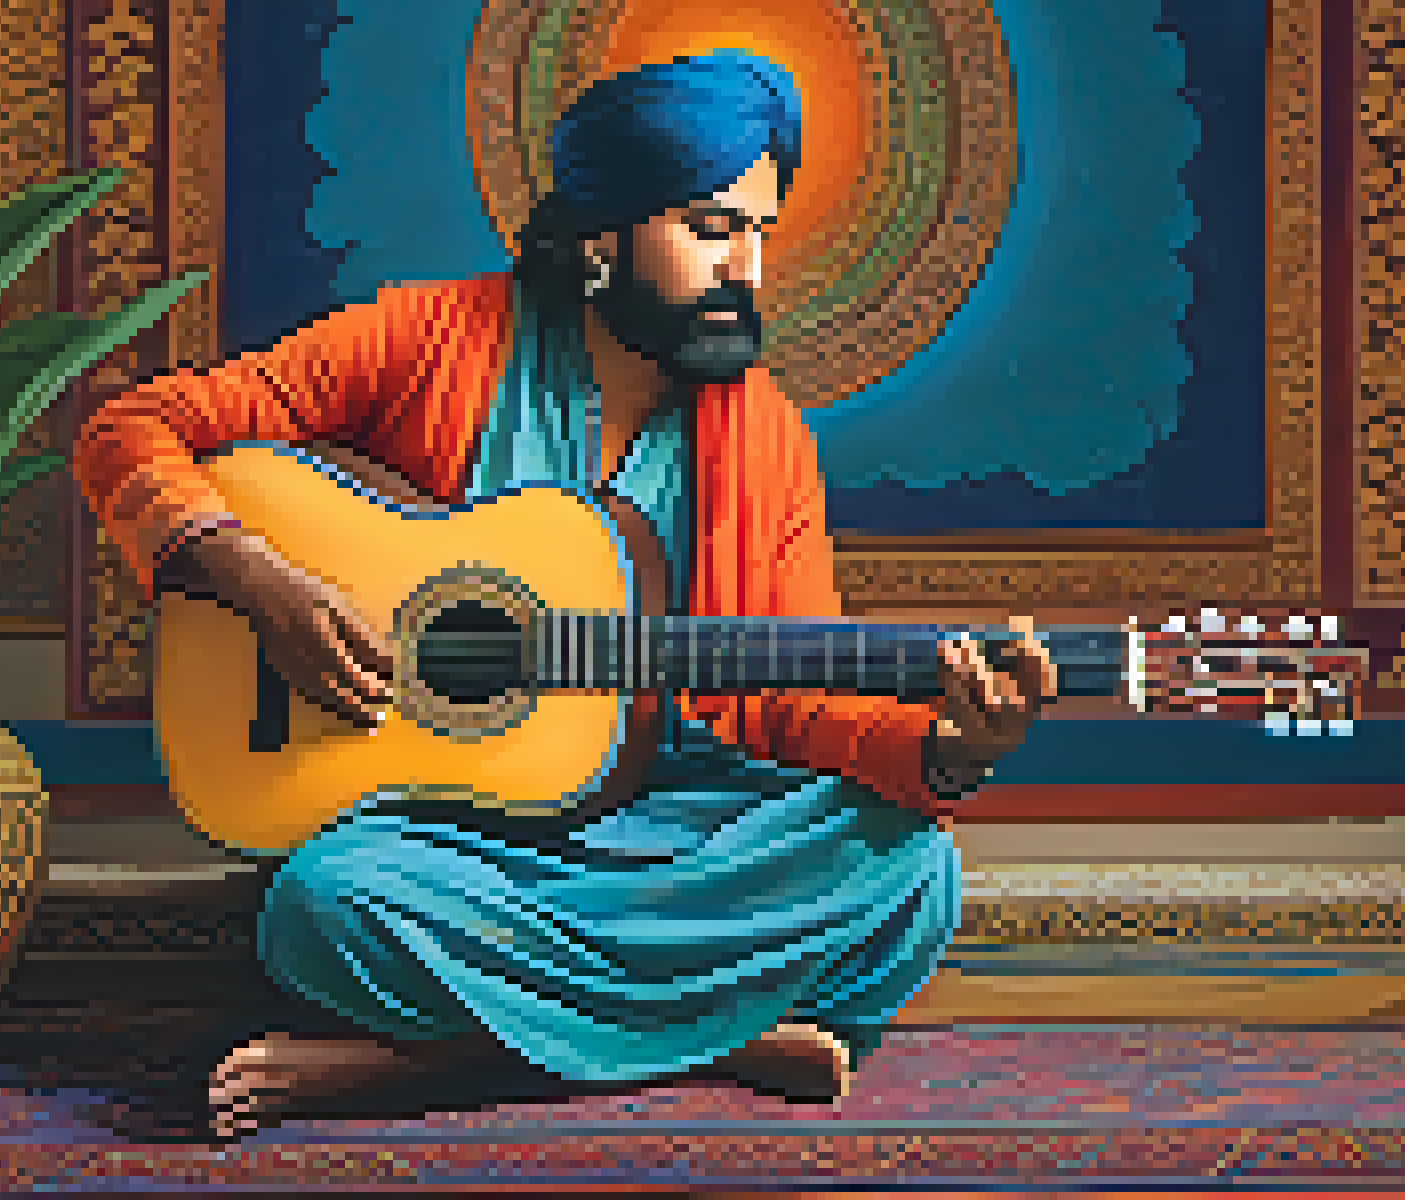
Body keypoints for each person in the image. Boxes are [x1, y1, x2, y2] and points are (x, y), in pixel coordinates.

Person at [72, 50, 1056, 1138]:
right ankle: (711, 1038)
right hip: (456, 838)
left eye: (759, 233)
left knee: (915, 873)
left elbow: (790, 699)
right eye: (713, 229)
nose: (749, 269)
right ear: (602, 234)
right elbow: (129, 430)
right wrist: (259, 584)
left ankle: (424, 1063)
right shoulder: (429, 340)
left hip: (673, 830)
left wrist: (956, 751)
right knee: (321, 907)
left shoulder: (763, 437)